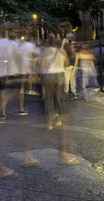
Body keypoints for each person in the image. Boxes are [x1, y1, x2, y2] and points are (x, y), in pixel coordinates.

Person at [38, 37, 79, 165]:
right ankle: (59, 121)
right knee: (59, 100)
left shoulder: (45, 52)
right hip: (59, 75)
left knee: (49, 99)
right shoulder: (62, 52)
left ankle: (49, 124)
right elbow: (66, 63)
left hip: (49, 76)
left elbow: (40, 64)